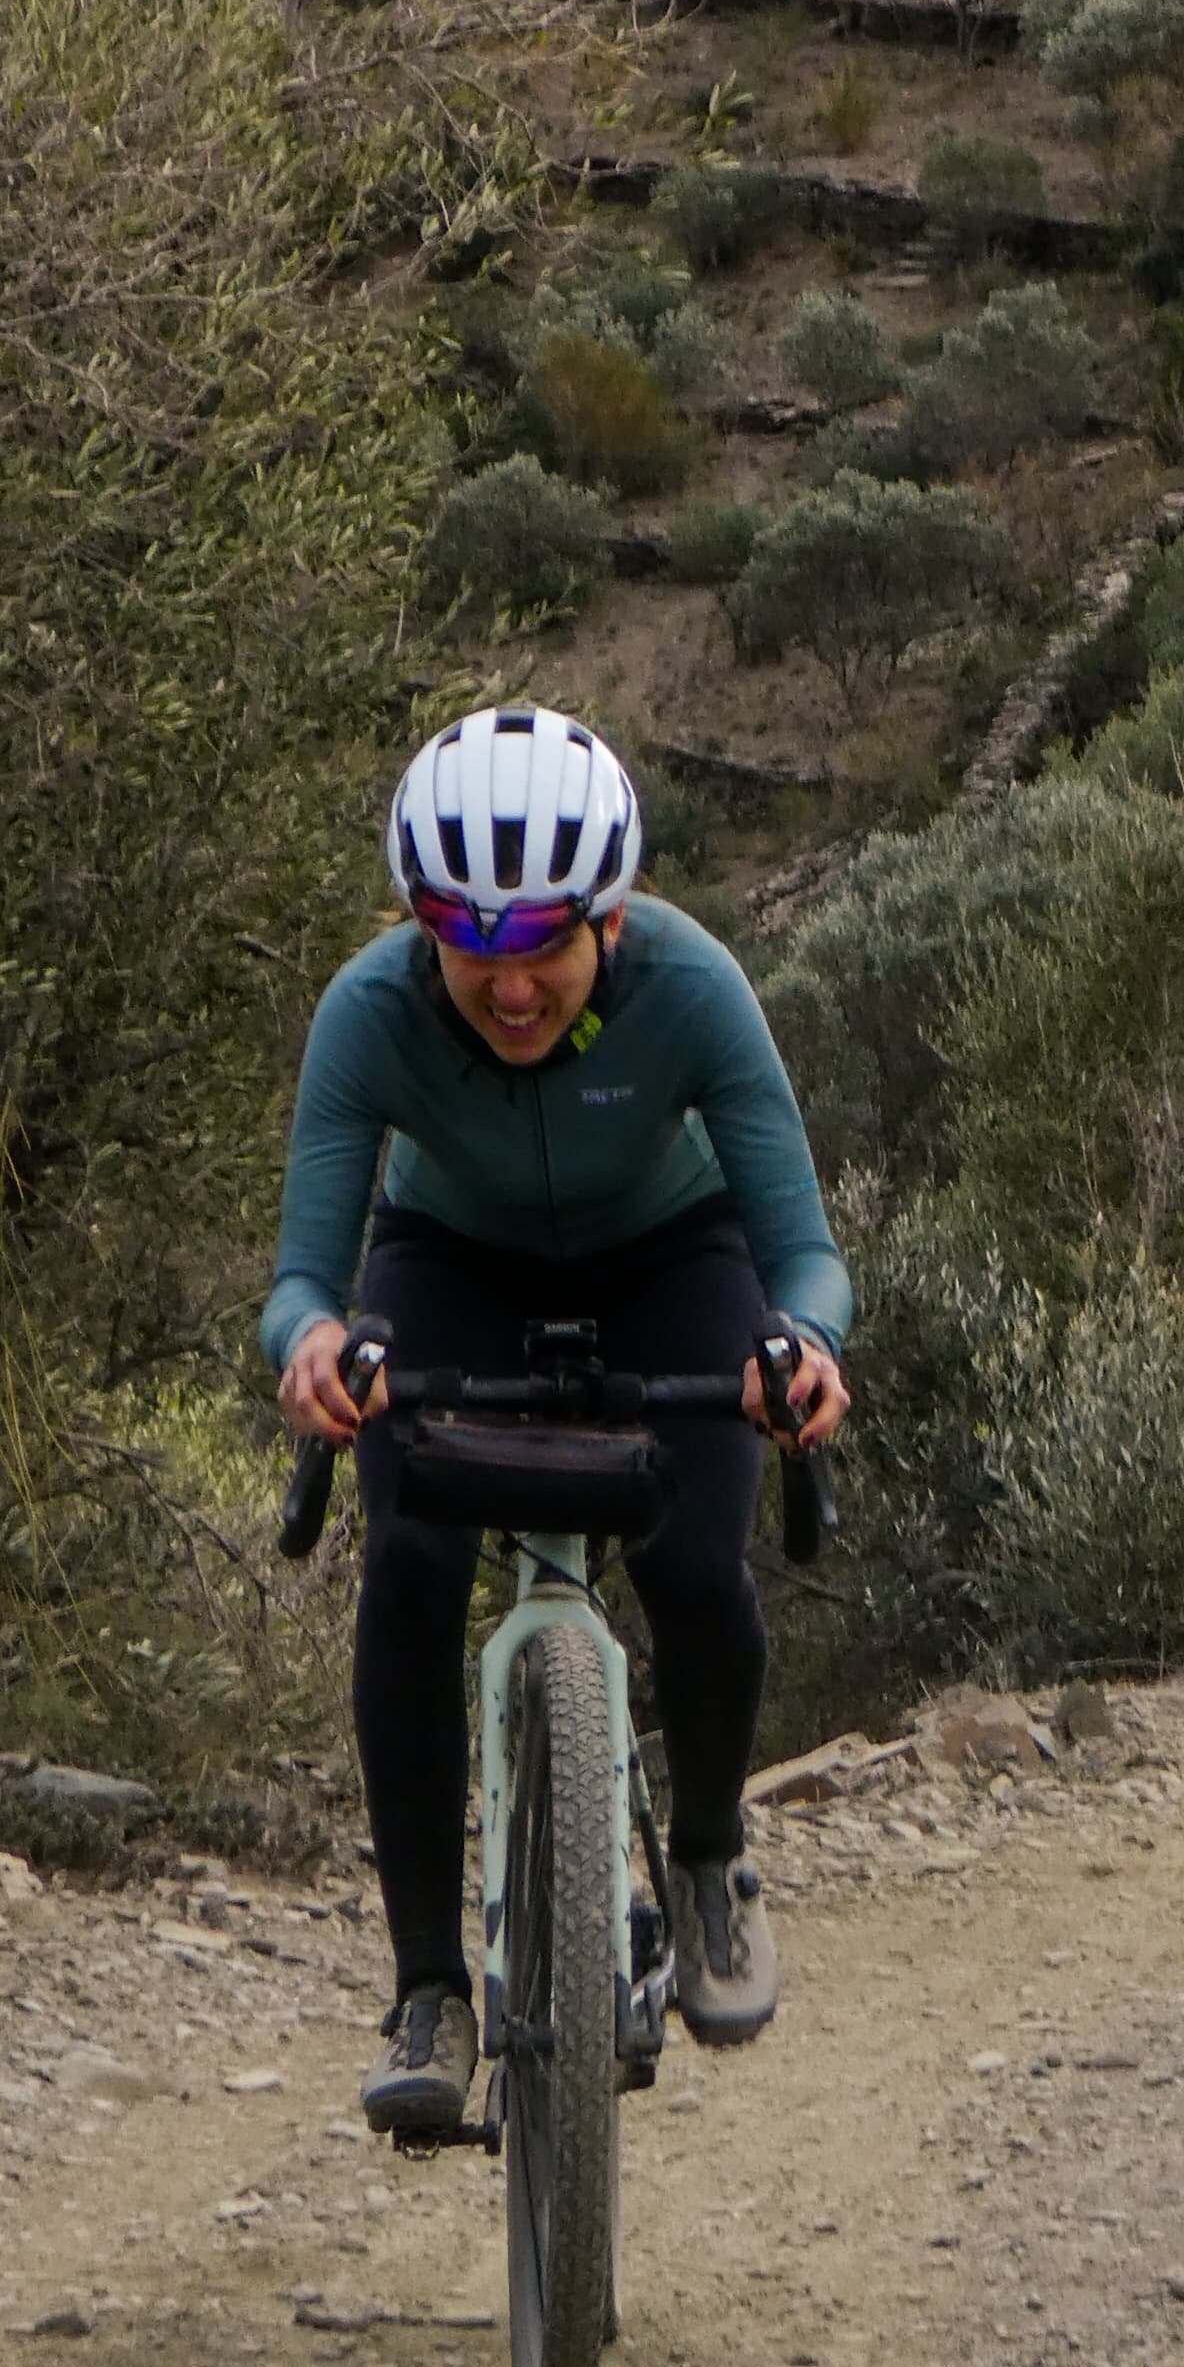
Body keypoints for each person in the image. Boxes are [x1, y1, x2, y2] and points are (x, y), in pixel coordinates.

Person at [263, 705, 853, 2142]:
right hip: (449, 1266)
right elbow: (302, 1280)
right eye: (473, 949)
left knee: (700, 1565)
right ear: (422, 928)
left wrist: (805, 1352)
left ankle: (708, 1859)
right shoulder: (370, 1011)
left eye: (543, 949)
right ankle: (428, 1991)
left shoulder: (696, 990)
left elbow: (804, 1255)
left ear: (611, 916)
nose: (510, 988)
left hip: (671, 1256)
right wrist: (315, 1347)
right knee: (405, 1564)